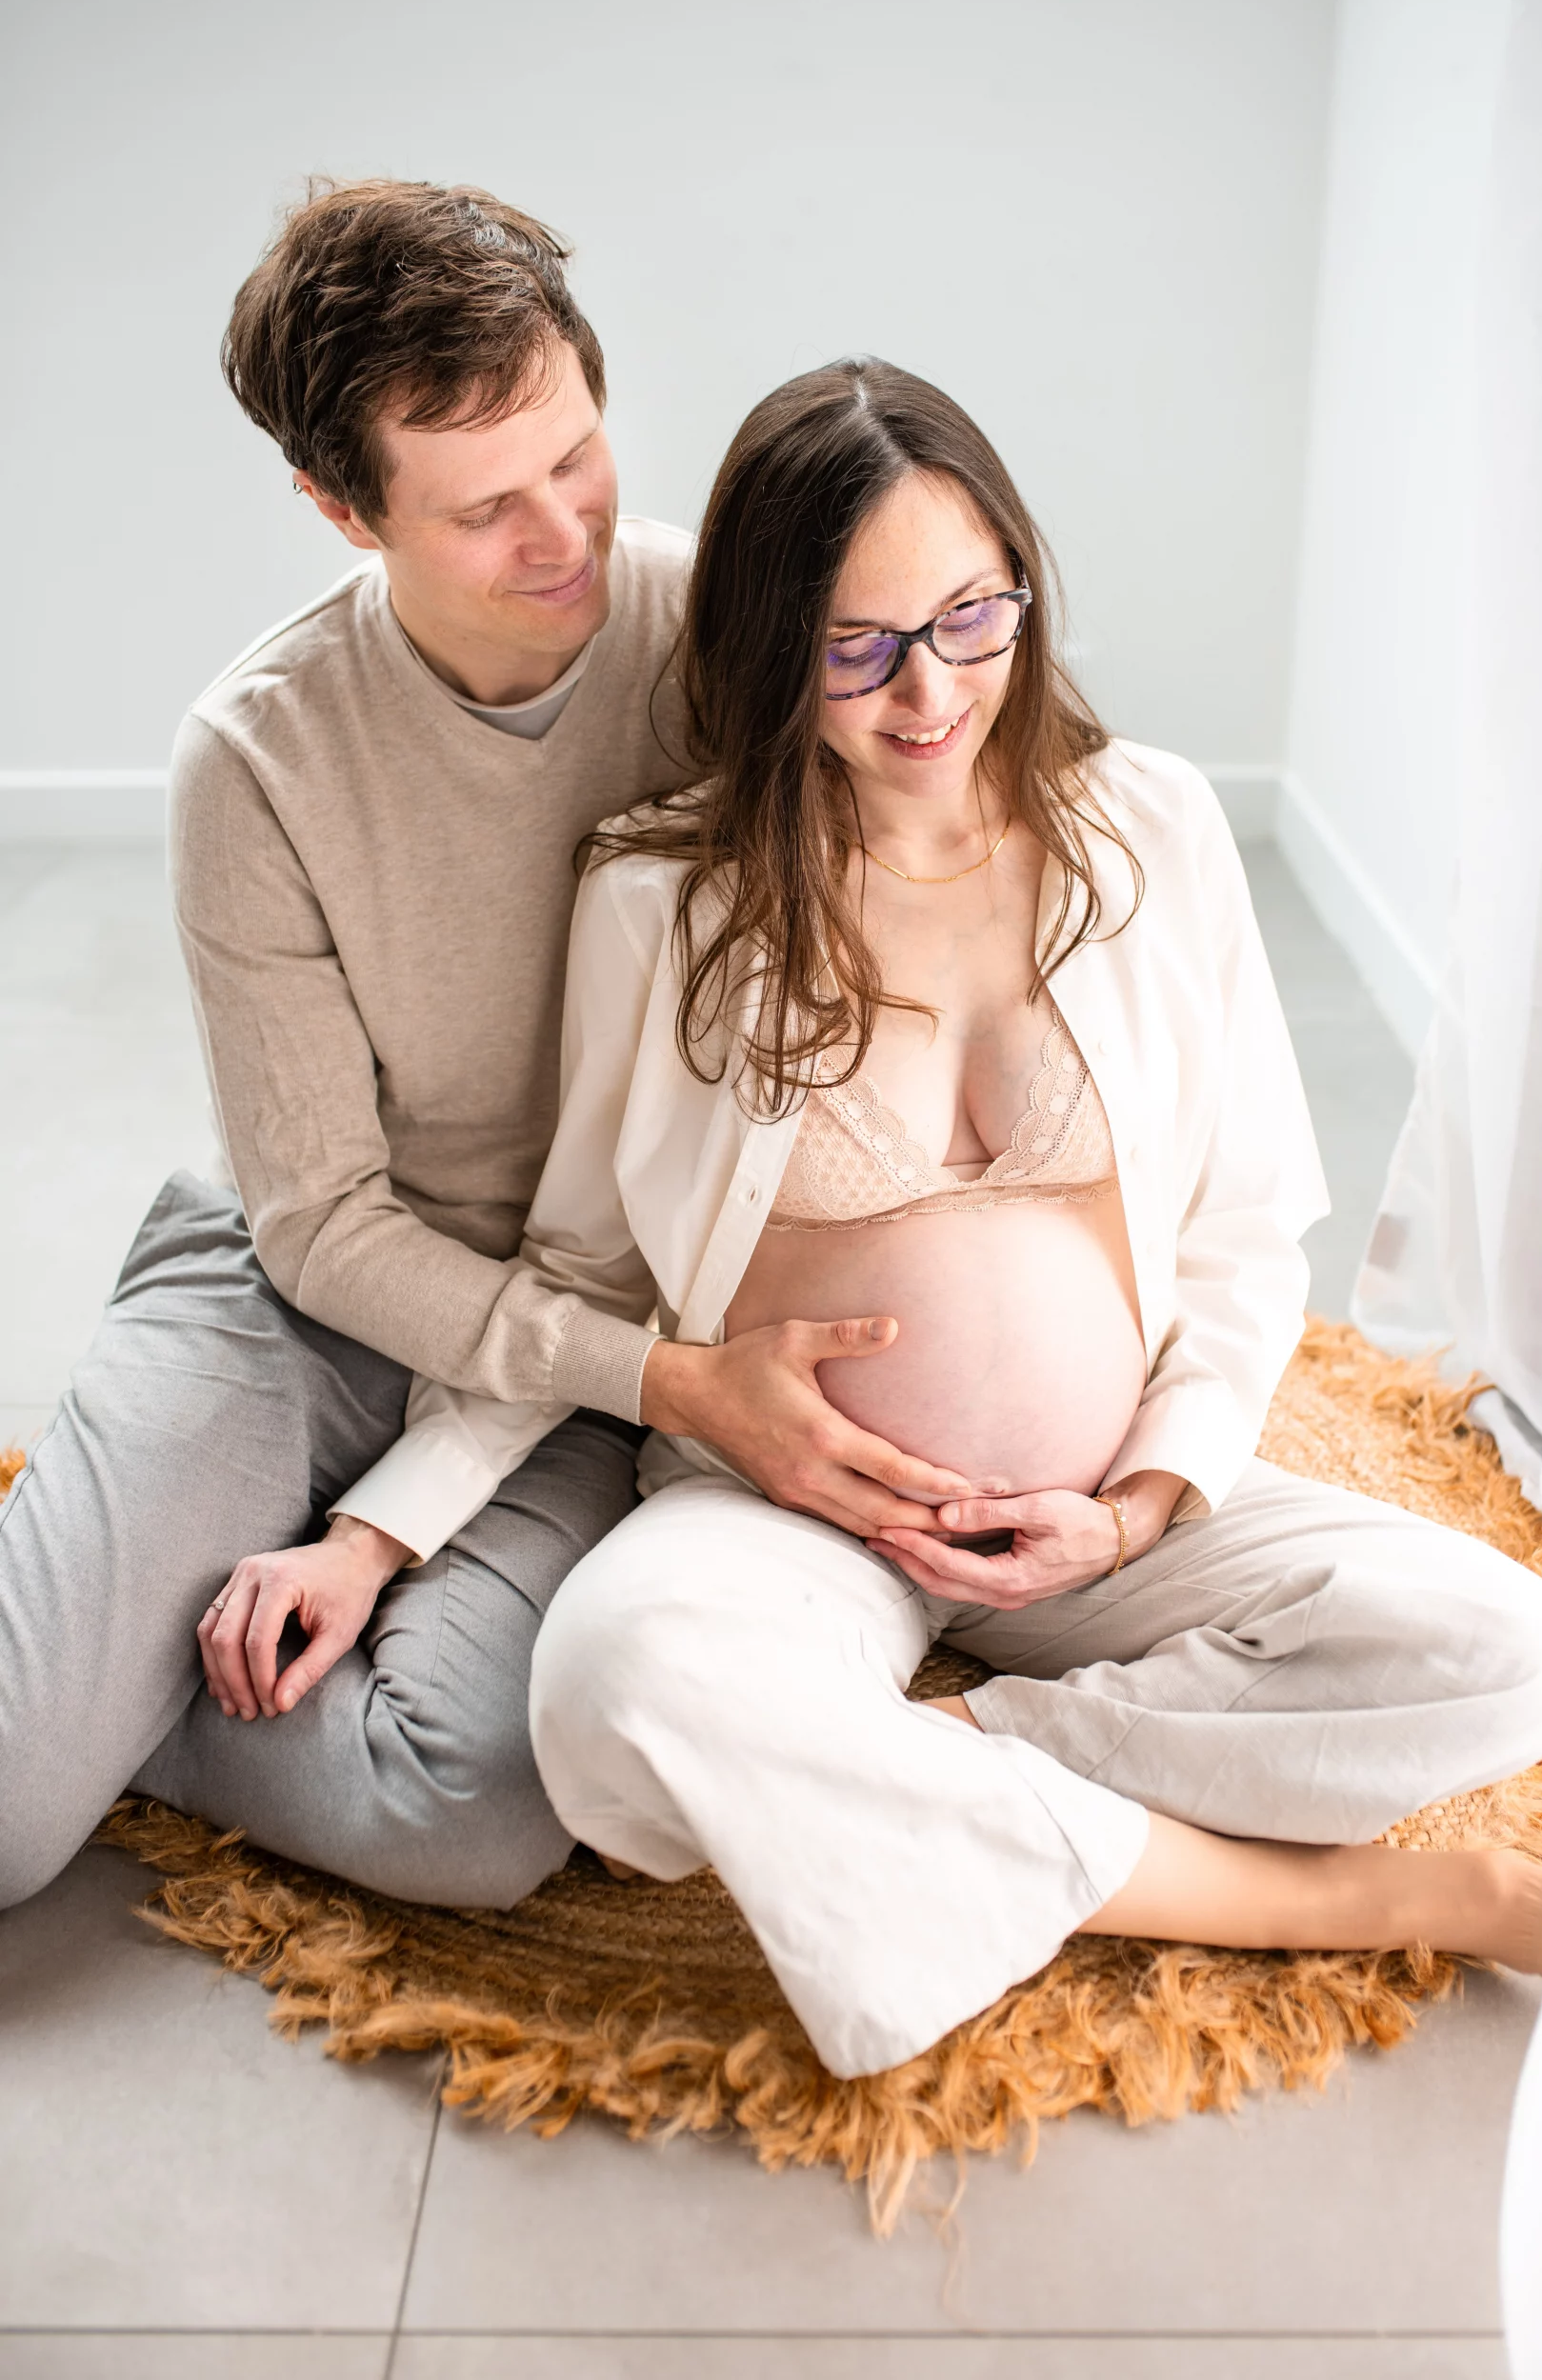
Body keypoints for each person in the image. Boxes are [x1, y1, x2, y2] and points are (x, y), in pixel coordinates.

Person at [329, 359, 1542, 2078]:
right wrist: (385, 1526)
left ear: (1020, 585)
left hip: (1094, 1531)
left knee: (1502, 1654)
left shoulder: (1147, 829)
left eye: (969, 618)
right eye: (856, 647)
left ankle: (898, 1767)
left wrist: (1140, 1509)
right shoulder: (663, 901)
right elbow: (581, 1266)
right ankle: (1362, 1897)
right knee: (613, 1687)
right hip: (790, 1512)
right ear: (772, 649)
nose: (928, 691)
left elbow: (1235, 1233)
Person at [0, 190, 983, 1915]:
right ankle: (85, 1681)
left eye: (579, 458)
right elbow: (316, 1226)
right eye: (481, 508)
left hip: (594, 1329)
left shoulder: (728, 637)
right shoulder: (258, 756)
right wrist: (671, 1387)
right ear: (338, 508)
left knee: (467, 1807)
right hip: (297, 1292)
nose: (563, 537)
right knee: (4, 1818)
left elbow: (971, 778)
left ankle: (121, 1671)